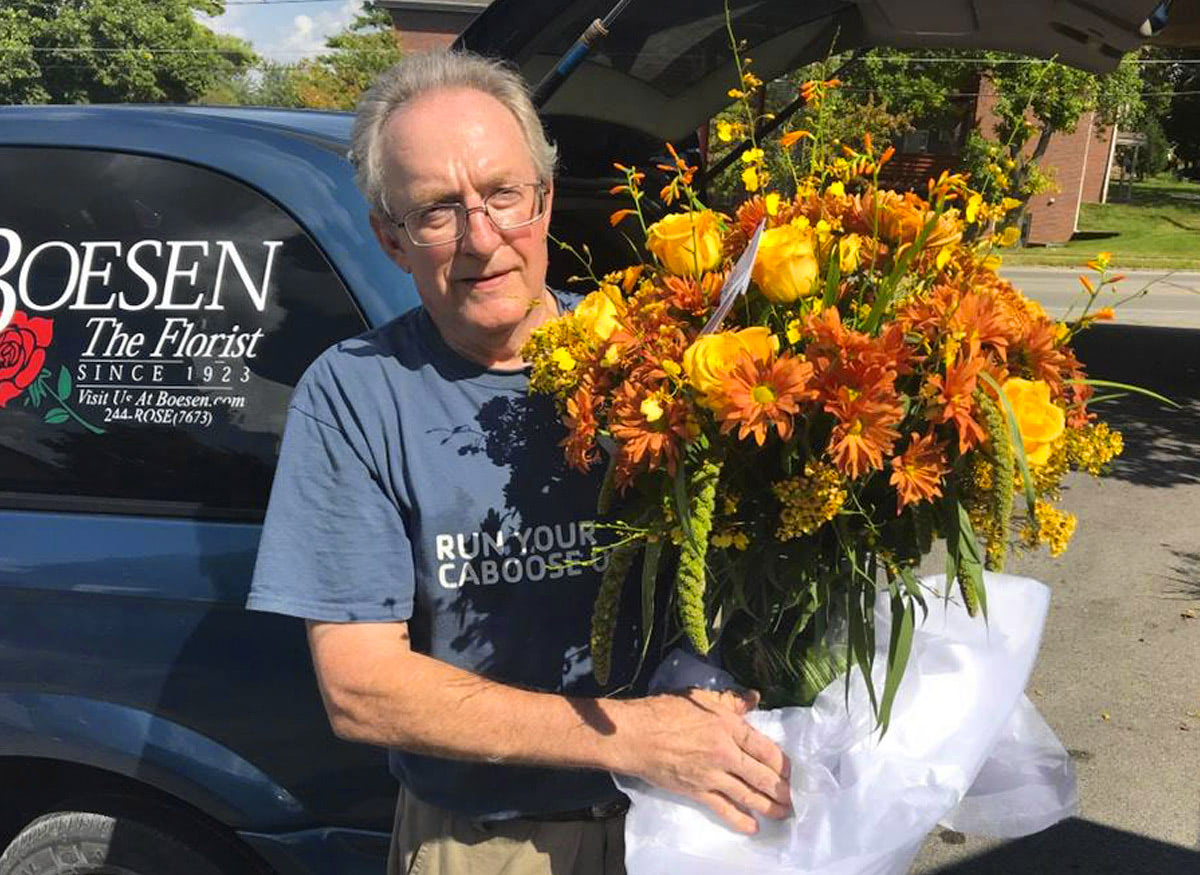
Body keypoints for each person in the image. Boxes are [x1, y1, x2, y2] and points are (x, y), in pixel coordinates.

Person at [247, 50, 791, 875]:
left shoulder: (659, 356)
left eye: (504, 194)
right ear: (390, 239)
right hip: (495, 841)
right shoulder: (358, 394)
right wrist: (635, 734)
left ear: (543, 198)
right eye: (438, 209)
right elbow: (361, 687)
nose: (483, 236)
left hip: (702, 814)